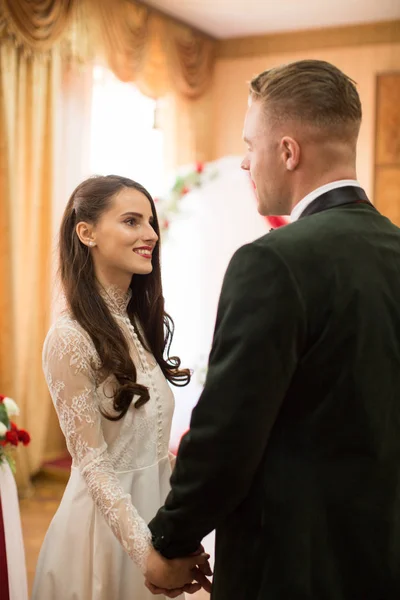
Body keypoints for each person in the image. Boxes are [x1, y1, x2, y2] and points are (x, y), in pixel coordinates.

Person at [146, 60, 400, 599]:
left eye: (249, 144)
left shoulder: (273, 262)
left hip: (293, 563)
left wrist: (172, 539)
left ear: (288, 152)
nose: (244, 161)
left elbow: (229, 429)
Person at [32, 175, 210, 600]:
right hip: (101, 539)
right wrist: (145, 555)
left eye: (150, 222)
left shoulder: (139, 324)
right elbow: (94, 465)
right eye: (132, 221)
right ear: (87, 232)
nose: (150, 234)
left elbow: (145, 445)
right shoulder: (69, 339)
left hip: (156, 520)